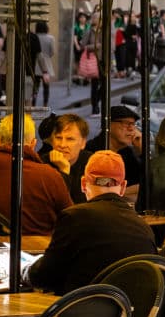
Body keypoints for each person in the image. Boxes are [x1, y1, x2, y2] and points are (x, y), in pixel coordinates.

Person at [28, 150, 157, 296]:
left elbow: (44, 277)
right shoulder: (144, 228)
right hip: (133, 315)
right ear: (122, 187)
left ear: (83, 183)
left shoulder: (74, 217)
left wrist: (25, 270)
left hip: (78, 314)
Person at [88, 105, 143, 197]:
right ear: (108, 124)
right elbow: (103, 192)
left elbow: (146, 181)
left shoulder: (126, 152)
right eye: (126, 123)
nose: (131, 129)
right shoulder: (92, 151)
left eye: (133, 124)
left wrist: (141, 149)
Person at [37, 111, 91, 202]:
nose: (62, 145)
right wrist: (64, 170)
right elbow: (56, 204)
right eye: (58, 138)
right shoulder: (41, 165)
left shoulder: (92, 163)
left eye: (70, 139)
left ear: (83, 143)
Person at [30, 20, 54, 109]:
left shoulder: (35, 37)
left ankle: (33, 103)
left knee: (35, 86)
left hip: (36, 64)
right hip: (46, 65)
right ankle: (45, 104)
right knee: (46, 86)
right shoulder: (50, 38)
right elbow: (52, 52)